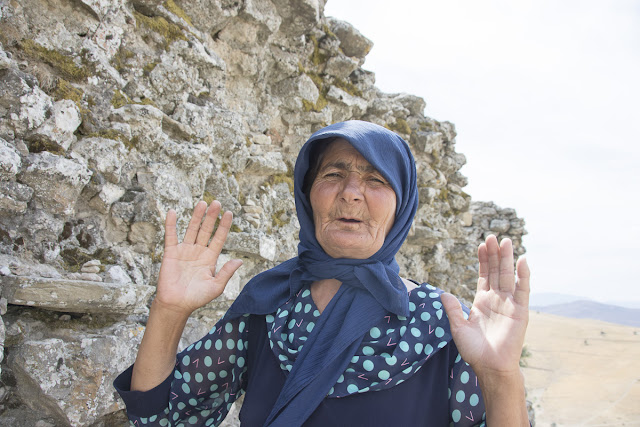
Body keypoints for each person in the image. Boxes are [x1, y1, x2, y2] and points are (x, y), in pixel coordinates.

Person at [114, 120, 531, 426]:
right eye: (333, 174)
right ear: (307, 193)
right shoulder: (269, 307)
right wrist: (168, 310)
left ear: (401, 206)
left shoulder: (447, 325)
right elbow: (162, 417)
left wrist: (500, 376)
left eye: (376, 179)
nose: (351, 191)